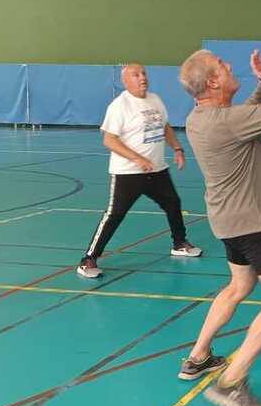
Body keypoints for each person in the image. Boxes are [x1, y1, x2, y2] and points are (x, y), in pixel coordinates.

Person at [177, 46, 261, 406]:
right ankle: (232, 381)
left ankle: (198, 356)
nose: (229, 65)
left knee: (239, 287)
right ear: (215, 81)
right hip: (253, 226)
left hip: (226, 224)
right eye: (222, 65)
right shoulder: (227, 122)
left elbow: (240, 118)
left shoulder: (200, 118)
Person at [77, 64, 201, 279]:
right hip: (128, 173)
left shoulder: (155, 100)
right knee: (114, 215)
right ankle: (88, 259)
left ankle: (179, 243)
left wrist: (178, 148)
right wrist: (137, 158)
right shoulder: (119, 106)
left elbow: (164, 127)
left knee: (173, 203)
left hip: (157, 170)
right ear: (125, 81)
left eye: (143, 73)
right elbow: (109, 139)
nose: (142, 77)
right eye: (136, 75)